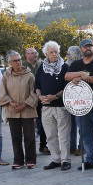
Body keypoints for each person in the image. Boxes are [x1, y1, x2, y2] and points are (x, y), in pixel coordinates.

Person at [65, 38, 93, 170]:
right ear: (81, 49)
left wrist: (85, 78)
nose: (88, 48)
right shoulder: (76, 64)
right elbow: (67, 76)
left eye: (90, 46)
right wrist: (80, 74)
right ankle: (90, 160)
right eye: (85, 47)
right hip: (82, 107)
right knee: (86, 136)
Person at [36, 41, 72, 171]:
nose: (54, 54)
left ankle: (65, 160)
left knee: (64, 135)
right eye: (51, 52)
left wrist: (55, 96)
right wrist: (39, 96)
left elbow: (68, 87)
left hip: (60, 106)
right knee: (50, 135)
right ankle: (56, 159)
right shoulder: (42, 67)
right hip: (46, 107)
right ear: (46, 54)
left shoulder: (65, 67)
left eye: (56, 51)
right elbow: (37, 85)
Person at [0, 51, 38, 169]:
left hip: (27, 110)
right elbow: (2, 93)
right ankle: (18, 160)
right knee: (15, 137)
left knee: (29, 136)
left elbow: (34, 93)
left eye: (19, 59)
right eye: (15, 60)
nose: (18, 62)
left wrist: (24, 105)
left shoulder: (29, 75)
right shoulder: (6, 75)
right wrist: (11, 102)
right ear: (10, 63)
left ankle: (30, 160)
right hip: (13, 110)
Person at [23, 47, 48, 155]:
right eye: (32, 53)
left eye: (36, 53)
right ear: (26, 55)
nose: (35, 55)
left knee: (44, 123)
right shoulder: (22, 66)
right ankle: (30, 149)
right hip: (27, 99)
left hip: (40, 98)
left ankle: (43, 145)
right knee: (29, 125)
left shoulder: (42, 65)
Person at [65, 45, 82, 156]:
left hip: (80, 100)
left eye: (68, 53)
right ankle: (71, 147)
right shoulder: (65, 66)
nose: (66, 55)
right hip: (69, 100)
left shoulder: (80, 65)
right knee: (70, 125)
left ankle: (81, 147)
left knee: (81, 125)